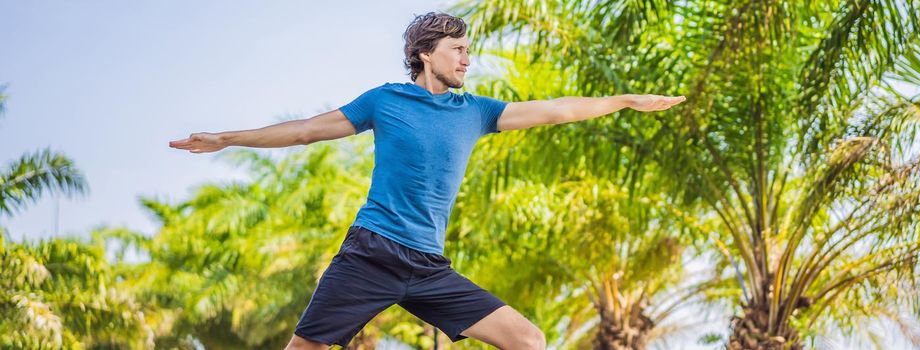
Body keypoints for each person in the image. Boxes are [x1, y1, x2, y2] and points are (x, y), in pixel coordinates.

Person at [169, 11, 685, 350]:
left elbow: (555, 109)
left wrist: (623, 101)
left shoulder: (478, 111)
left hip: (428, 266)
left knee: (529, 339)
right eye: (457, 48)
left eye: (468, 49)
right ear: (426, 53)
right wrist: (228, 138)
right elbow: (306, 131)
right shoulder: (385, 101)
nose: (467, 57)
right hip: (371, 253)